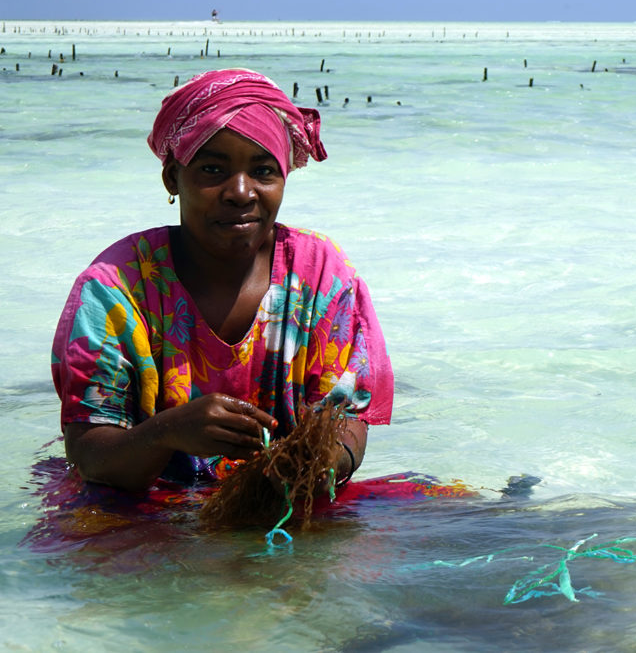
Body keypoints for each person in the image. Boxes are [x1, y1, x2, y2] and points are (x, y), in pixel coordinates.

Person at [51, 68, 393, 493]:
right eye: (213, 170)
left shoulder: (322, 275)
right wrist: (168, 431)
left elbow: (345, 422)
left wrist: (312, 464)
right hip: (145, 505)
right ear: (173, 178)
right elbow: (90, 458)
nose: (241, 192)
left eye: (264, 171)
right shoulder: (116, 288)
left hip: (282, 499)